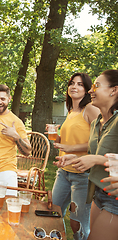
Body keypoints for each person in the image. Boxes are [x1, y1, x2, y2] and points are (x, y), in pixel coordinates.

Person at [56, 70, 118, 240]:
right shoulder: (98, 123)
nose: (91, 90)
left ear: (114, 90)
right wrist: (76, 158)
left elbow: (97, 157)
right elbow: (94, 153)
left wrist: (95, 159)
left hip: (114, 198)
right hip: (98, 192)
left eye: (96, 86)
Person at [48, 73, 99, 240]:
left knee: (77, 223)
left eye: (80, 84)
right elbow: (64, 140)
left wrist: (72, 148)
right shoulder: (70, 112)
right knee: (53, 213)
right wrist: (54, 133)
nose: (74, 87)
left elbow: (100, 141)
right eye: (72, 83)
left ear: (87, 89)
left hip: (82, 174)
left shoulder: (90, 109)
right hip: (63, 172)